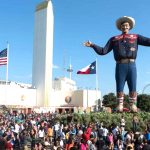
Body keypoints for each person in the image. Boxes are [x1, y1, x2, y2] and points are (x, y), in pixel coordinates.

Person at [84, 16, 150, 112]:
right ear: (120, 27)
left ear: (130, 27)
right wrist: (93, 45)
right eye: (123, 25)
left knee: (133, 85)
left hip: (132, 64)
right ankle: (120, 105)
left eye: (127, 25)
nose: (125, 27)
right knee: (120, 85)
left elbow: (148, 41)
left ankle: (133, 105)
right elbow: (103, 51)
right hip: (120, 65)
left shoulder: (136, 37)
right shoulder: (114, 39)